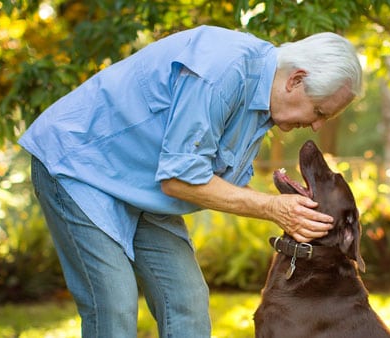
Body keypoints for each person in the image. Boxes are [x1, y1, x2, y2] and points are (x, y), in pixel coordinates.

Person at [19, 25, 362, 337]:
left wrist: (282, 208)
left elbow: (212, 183)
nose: (317, 127)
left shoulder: (261, 108)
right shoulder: (223, 71)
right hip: (82, 166)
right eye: (319, 112)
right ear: (296, 80)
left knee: (186, 300)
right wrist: (272, 206)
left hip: (141, 186)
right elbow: (180, 180)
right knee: (113, 304)